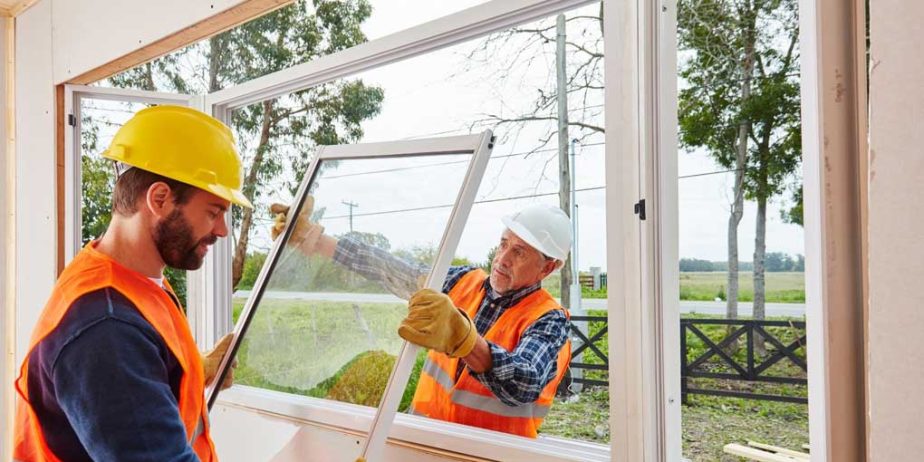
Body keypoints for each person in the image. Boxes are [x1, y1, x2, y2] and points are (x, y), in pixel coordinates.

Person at [13, 106, 251, 461]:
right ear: (159, 199)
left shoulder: (132, 280)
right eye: (213, 212)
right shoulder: (104, 326)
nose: (221, 230)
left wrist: (193, 370)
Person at [271, 200, 572, 438]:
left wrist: (464, 341)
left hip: (488, 453)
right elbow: (390, 269)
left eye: (519, 252)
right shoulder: (461, 282)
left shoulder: (549, 320)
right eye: (504, 243)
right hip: (424, 444)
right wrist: (317, 241)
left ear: (548, 268)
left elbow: (524, 381)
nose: (503, 258)